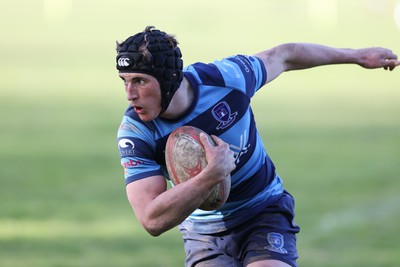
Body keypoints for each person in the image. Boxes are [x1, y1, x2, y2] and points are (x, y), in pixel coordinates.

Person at [115, 26, 399, 267]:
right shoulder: (136, 132)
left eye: (140, 81)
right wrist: (211, 175)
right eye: (125, 81)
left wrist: (357, 56)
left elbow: (285, 55)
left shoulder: (226, 79)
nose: (130, 94)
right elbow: (151, 219)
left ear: (169, 80)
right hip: (203, 232)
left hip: (263, 207)